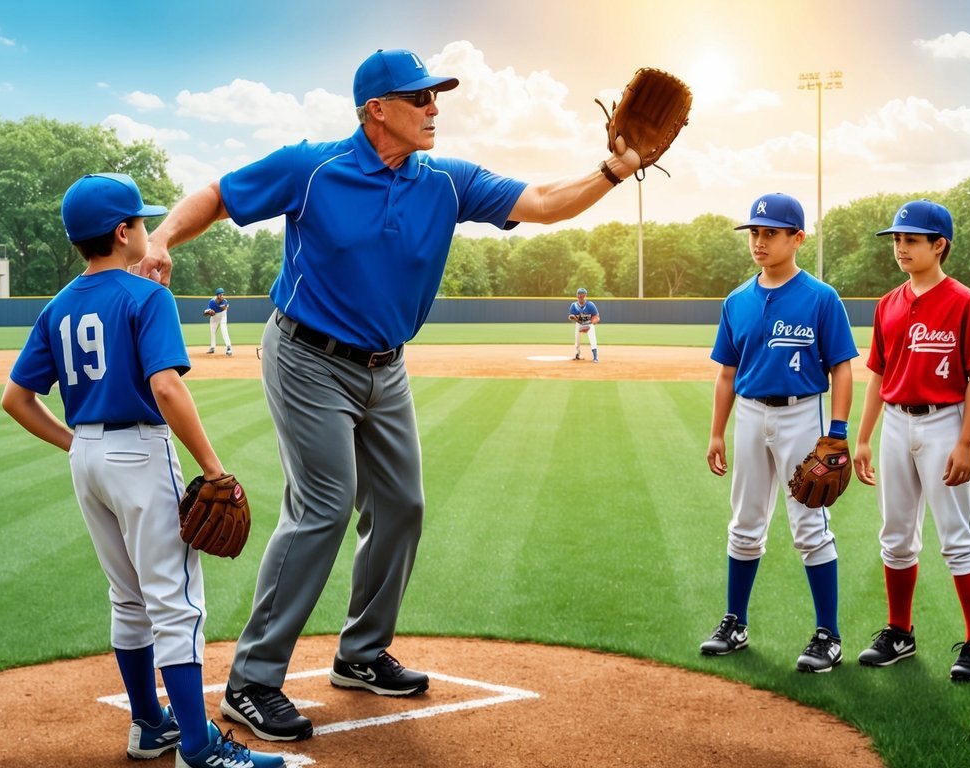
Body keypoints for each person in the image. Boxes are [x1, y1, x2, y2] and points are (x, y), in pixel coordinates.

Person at [137, 48, 653, 741]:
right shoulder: (312, 168)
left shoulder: (446, 181)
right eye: (420, 98)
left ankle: (360, 654)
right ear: (376, 109)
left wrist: (613, 171)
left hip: (386, 367)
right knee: (323, 504)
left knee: (402, 506)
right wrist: (165, 235)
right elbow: (220, 194)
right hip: (306, 356)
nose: (434, 108)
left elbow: (544, 203)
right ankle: (253, 681)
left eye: (435, 96)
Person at [0, 173, 282, 768]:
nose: (149, 231)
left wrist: (75, 444)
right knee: (177, 603)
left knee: (128, 599)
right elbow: (165, 386)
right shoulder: (147, 299)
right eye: (143, 222)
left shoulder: (59, 305)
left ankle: (150, 725)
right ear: (124, 232)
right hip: (140, 453)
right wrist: (214, 468)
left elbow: (17, 399)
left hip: (88, 460)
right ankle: (200, 749)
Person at [700, 192, 857, 673]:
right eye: (754, 232)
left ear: (798, 238)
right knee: (745, 523)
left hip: (800, 416)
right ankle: (735, 622)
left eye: (770, 232)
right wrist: (716, 433)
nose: (759, 241)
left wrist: (838, 432)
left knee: (810, 526)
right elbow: (726, 373)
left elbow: (843, 369)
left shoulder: (820, 298)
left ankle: (827, 635)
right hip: (749, 413)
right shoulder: (737, 301)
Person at [851, 200, 970, 681]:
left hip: (944, 422)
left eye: (911, 239)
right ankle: (899, 633)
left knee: (957, 538)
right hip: (895, 421)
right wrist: (864, 437)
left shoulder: (964, 301)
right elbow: (877, 374)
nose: (900, 248)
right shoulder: (888, 303)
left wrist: (967, 442)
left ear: (939, 245)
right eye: (896, 239)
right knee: (895, 535)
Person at [569, 287, 600, 362]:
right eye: (579, 294)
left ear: (585, 295)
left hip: (589, 323)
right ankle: (577, 355)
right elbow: (570, 317)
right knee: (577, 340)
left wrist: (591, 324)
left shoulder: (590, 305)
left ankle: (595, 357)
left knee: (593, 339)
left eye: (582, 294)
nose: (580, 296)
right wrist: (573, 317)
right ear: (577, 295)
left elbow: (596, 317)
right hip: (579, 324)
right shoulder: (574, 305)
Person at [207, 288, 232, 356]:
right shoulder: (212, 301)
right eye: (220, 295)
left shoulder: (224, 301)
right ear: (217, 295)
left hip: (222, 316)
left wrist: (224, 307)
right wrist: (209, 311)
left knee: (224, 330)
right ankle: (212, 347)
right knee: (212, 332)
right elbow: (206, 311)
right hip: (214, 317)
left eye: (223, 294)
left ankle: (228, 347)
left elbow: (224, 308)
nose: (222, 296)